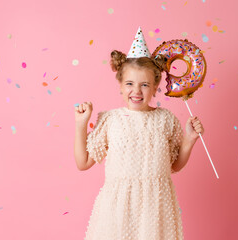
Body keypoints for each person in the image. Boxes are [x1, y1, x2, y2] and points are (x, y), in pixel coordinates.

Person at [74, 27, 204, 240]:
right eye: (129, 84)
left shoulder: (165, 119)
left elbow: (174, 165)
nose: (136, 91)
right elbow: (83, 162)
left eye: (144, 85)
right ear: (120, 86)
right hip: (117, 211)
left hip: (156, 211)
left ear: (155, 87)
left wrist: (189, 140)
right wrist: (81, 124)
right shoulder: (110, 120)